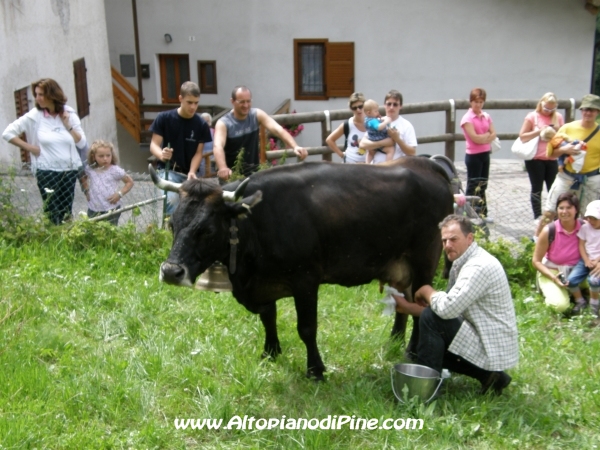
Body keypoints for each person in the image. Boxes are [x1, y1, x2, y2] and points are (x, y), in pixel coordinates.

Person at [393, 214, 519, 396]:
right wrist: (406, 307)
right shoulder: (465, 261)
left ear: (470, 238)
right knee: (427, 339)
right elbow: (447, 311)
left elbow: (445, 310)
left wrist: (427, 290)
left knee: (430, 324)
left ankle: (424, 392)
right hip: (484, 338)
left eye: (453, 239)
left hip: (491, 347)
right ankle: (491, 376)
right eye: (444, 241)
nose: (447, 245)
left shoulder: (477, 267)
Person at [2, 78, 87, 225]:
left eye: (41, 94)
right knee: (52, 212)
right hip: (46, 171)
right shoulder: (35, 115)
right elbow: (8, 133)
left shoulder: (69, 114)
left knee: (66, 212)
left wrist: (68, 126)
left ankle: (66, 241)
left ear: (52, 95)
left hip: (69, 170)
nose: (37, 98)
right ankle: (53, 239)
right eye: (36, 94)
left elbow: (81, 143)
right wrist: (30, 148)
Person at [536, 94, 600, 238]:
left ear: (597, 112)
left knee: (589, 216)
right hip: (567, 176)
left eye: (592, 110)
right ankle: (536, 242)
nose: (588, 113)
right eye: (585, 109)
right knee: (550, 211)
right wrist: (565, 150)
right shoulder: (568, 128)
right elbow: (550, 155)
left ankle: (584, 247)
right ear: (581, 111)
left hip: (590, 179)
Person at [213, 86, 308, 181]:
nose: (246, 105)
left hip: (253, 174)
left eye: (248, 101)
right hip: (231, 176)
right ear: (232, 101)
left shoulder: (256, 115)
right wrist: (223, 168)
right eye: (241, 102)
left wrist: (295, 146)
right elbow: (218, 146)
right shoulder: (224, 123)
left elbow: (278, 130)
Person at [149, 81, 212, 214]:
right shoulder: (164, 118)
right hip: (167, 171)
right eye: (189, 102)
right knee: (172, 202)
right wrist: (162, 155)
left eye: (196, 103)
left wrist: (192, 171)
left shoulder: (201, 124)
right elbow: (153, 145)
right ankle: (172, 232)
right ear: (180, 99)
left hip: (189, 175)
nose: (193, 107)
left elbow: (198, 153)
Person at [517, 93, 564, 224]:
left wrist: (556, 130)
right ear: (541, 103)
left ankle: (555, 215)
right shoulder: (532, 117)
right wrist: (540, 131)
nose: (547, 111)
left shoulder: (558, 117)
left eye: (551, 109)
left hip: (551, 158)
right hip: (535, 158)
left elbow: (563, 136)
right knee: (537, 187)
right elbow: (523, 136)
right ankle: (537, 215)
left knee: (554, 188)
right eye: (545, 108)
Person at [532, 193, 582, 313]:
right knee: (560, 306)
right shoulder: (549, 230)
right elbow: (536, 261)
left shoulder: (585, 227)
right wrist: (554, 278)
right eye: (561, 208)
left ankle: (577, 294)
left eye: (569, 207)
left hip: (579, 271)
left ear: (576, 210)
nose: (564, 211)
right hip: (553, 271)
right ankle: (552, 291)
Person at [460, 88, 497, 220]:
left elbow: (494, 133)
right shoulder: (467, 118)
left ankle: (482, 213)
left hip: (485, 153)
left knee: (483, 184)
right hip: (473, 155)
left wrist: (486, 137)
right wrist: (487, 136)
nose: (478, 104)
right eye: (476, 102)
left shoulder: (486, 116)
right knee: (473, 185)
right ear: (471, 102)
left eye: (481, 102)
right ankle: (469, 214)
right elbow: (474, 138)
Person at [83, 140, 134, 225]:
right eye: (101, 156)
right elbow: (83, 178)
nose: (105, 159)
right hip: (93, 208)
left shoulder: (115, 170)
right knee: (93, 231)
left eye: (108, 155)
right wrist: (86, 190)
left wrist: (119, 194)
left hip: (111, 208)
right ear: (93, 156)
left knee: (110, 231)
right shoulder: (90, 169)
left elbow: (130, 182)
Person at [360, 90, 417, 163]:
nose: (391, 107)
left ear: (400, 106)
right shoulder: (376, 121)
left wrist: (397, 139)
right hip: (374, 169)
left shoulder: (406, 125)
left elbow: (412, 153)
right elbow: (362, 144)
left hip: (395, 170)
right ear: (384, 105)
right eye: (389, 104)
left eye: (395, 104)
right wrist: (385, 142)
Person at [566, 200, 600, 317]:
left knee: (594, 281)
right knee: (570, 281)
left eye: (595, 218)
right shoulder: (585, 228)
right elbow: (581, 244)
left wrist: (598, 260)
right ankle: (580, 301)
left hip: (598, 261)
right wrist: (586, 260)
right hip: (585, 259)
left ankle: (594, 304)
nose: (591, 221)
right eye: (589, 217)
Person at [325, 92, 368, 163]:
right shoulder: (348, 124)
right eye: (354, 108)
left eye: (360, 106)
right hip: (350, 164)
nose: (358, 110)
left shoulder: (372, 122)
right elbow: (329, 140)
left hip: (368, 164)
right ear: (351, 109)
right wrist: (341, 155)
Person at [361, 99, 394, 164]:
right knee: (390, 150)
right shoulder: (372, 121)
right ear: (368, 113)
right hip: (379, 138)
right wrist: (386, 121)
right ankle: (388, 164)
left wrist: (381, 119)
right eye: (376, 111)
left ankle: (367, 163)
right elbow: (379, 127)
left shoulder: (367, 119)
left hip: (371, 139)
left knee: (370, 152)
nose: (378, 113)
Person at [198, 112, 215, 177]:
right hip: (200, 158)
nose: (205, 123)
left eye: (207, 121)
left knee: (211, 175)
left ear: (210, 122)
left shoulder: (214, 131)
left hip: (211, 158)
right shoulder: (198, 132)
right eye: (203, 121)